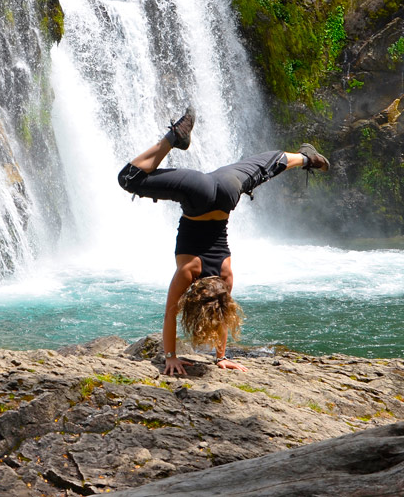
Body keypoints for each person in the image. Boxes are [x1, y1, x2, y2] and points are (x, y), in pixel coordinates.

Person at [117, 107, 329, 375]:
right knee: (129, 178)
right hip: (198, 194)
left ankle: (305, 158)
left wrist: (220, 356)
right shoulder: (188, 271)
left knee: (264, 169)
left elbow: (222, 313)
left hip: (228, 192)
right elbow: (170, 314)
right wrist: (172, 356)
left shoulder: (225, 275)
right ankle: (173, 138)